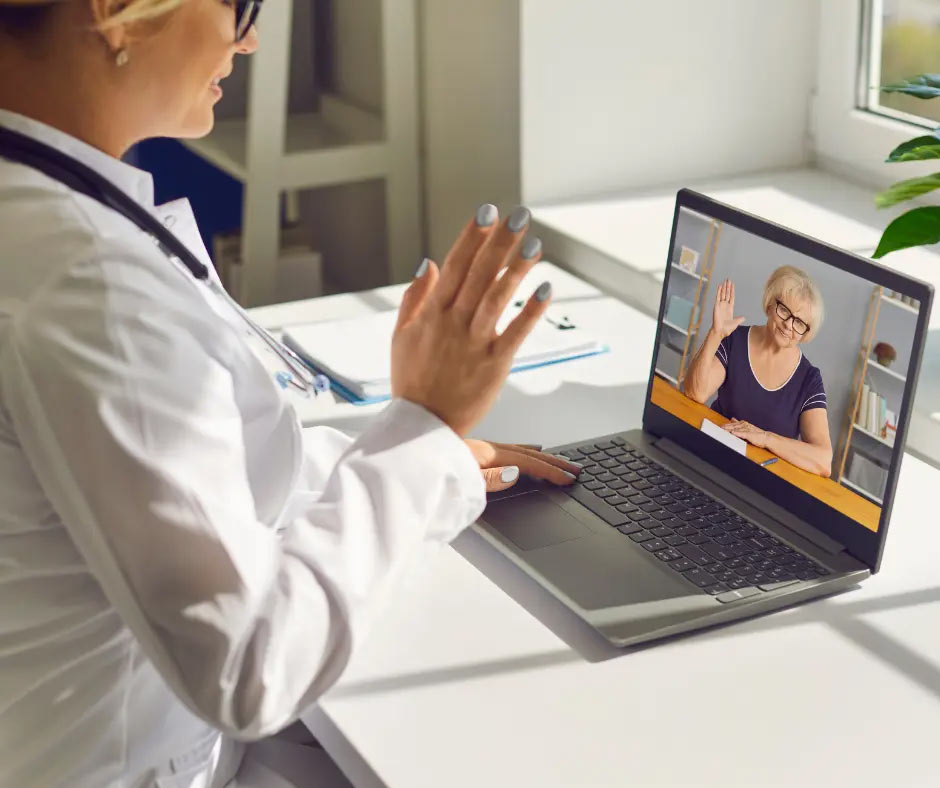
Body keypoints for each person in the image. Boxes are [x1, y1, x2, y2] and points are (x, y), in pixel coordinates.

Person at [0, 1, 582, 785]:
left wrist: (414, 460)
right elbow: (251, 665)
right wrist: (424, 424)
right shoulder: (88, 283)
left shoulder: (39, 213)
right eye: (239, 5)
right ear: (114, 11)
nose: (250, 38)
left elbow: (132, 472)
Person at [683, 266, 833, 477]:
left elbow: (823, 461)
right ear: (771, 304)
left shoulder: (809, 379)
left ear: (806, 331)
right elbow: (695, 392)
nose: (789, 325)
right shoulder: (734, 340)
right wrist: (716, 333)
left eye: (799, 322)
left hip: (762, 481)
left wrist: (765, 438)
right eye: (784, 310)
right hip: (712, 459)